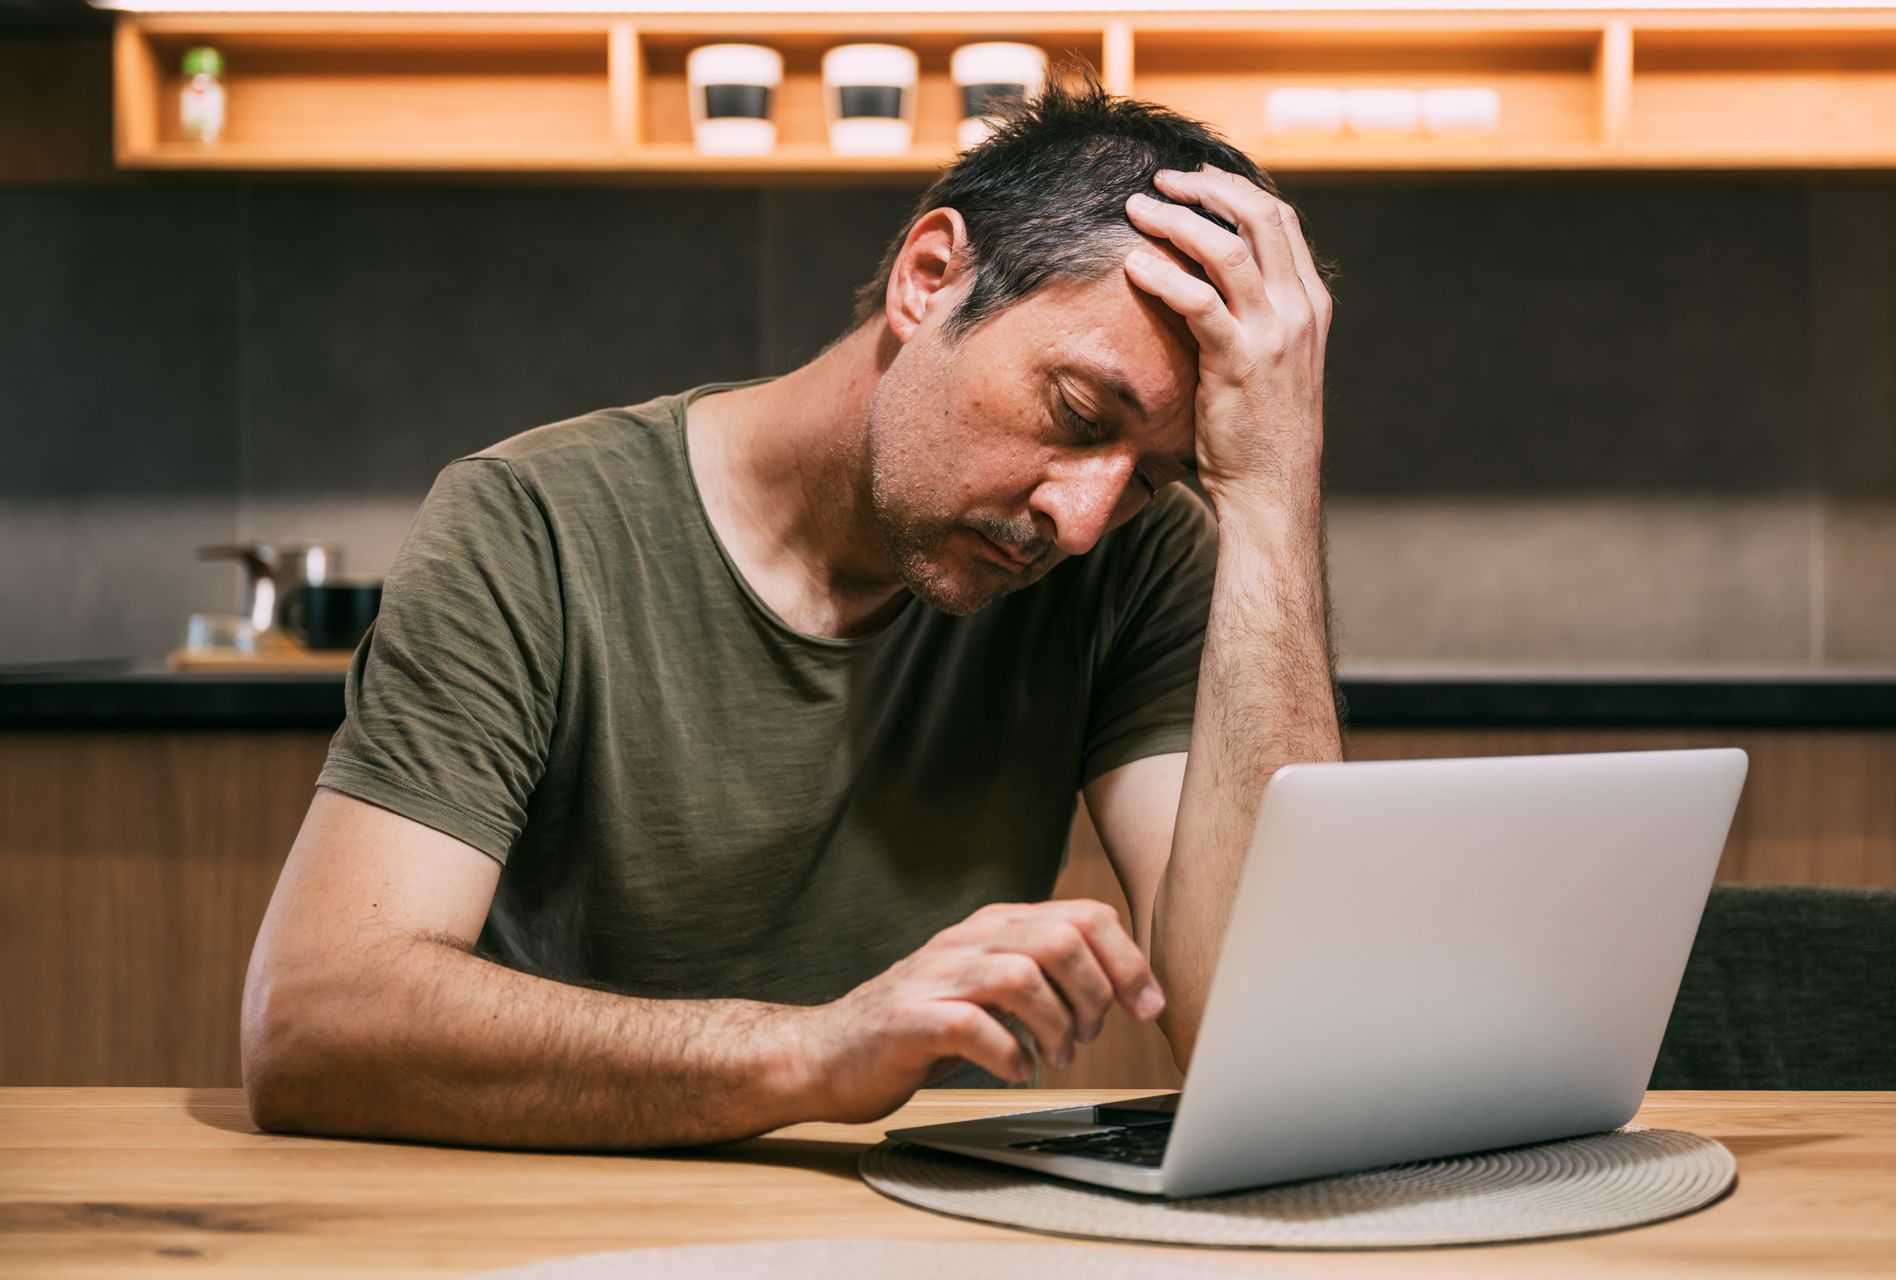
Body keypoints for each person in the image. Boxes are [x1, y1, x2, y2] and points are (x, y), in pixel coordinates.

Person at [240, 70, 1346, 1150]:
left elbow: (1277, 1042)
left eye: (1153, 474)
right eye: (1074, 411)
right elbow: (318, 1018)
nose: (1084, 515)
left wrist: (1271, 485)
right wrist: (816, 1053)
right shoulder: (532, 527)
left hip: (916, 1237)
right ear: (930, 276)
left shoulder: (1133, 560)